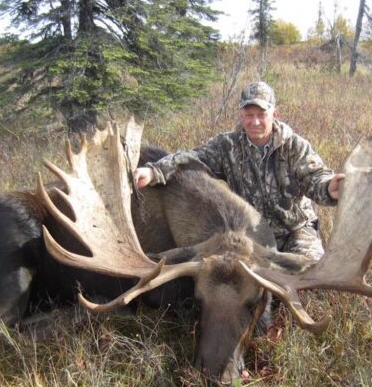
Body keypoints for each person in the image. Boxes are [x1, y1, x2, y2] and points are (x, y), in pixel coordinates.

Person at [133, 81, 344, 260]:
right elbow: (190, 158)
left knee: (308, 273)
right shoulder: (228, 146)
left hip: (295, 230)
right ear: (241, 115)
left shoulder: (295, 147)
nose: (255, 121)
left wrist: (329, 187)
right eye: (249, 114)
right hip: (250, 234)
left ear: (274, 113)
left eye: (261, 114)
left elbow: (315, 177)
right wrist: (154, 171)